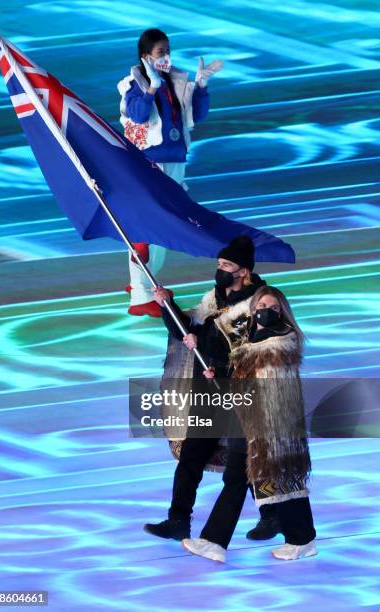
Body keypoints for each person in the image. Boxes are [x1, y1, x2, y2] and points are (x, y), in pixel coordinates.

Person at [143, 236, 282, 541]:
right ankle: (178, 519)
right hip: (208, 388)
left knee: (247, 457)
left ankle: (272, 515)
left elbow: (260, 347)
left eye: (226, 265)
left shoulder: (262, 301)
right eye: (219, 264)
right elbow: (187, 329)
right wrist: (167, 304)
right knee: (192, 455)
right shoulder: (214, 298)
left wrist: (206, 346)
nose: (220, 269)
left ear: (243, 270)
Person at [182, 286, 317, 562]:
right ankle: (214, 542)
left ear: (282, 311)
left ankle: (302, 539)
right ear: (253, 310)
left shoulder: (281, 343)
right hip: (248, 422)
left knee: (283, 478)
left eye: (273, 307)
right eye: (260, 306)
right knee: (235, 479)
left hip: (270, 424)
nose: (265, 310)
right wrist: (219, 373)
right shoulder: (252, 339)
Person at [117, 28, 223, 317]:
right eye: (160, 52)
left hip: (175, 158)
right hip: (151, 162)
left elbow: (195, 115)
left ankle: (142, 281)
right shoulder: (133, 83)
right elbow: (137, 115)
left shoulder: (174, 80)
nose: (166, 56)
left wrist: (201, 86)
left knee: (167, 223)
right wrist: (150, 88)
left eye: (168, 50)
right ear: (145, 56)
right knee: (148, 226)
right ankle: (140, 294)